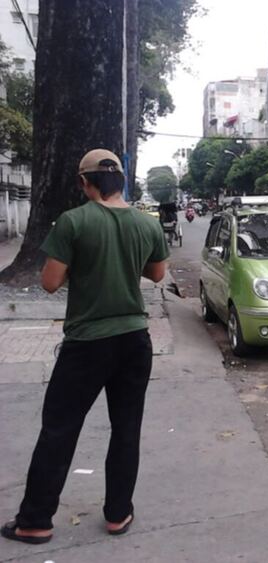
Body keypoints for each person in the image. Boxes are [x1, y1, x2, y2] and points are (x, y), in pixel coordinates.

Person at [1, 149, 169, 545]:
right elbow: (157, 274)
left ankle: (36, 521)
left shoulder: (73, 222)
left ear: (84, 182)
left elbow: (50, 282)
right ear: (122, 181)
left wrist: (86, 258)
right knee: (126, 429)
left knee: (59, 430)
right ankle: (118, 513)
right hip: (134, 341)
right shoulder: (147, 225)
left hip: (87, 344)